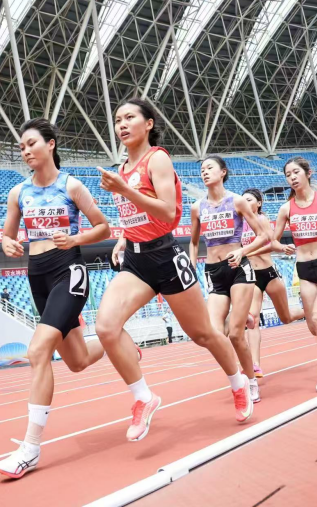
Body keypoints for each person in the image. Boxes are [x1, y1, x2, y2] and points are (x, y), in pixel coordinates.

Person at [94, 98, 255, 443]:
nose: (122, 124)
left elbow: (168, 213)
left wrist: (124, 190)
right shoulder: (122, 168)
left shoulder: (158, 159)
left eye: (130, 117)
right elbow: (136, 214)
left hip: (165, 257)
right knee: (106, 327)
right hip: (136, 261)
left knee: (204, 334)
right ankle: (143, 398)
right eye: (118, 119)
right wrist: (122, 237)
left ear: (149, 123)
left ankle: (239, 383)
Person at [0, 118, 112, 479]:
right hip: (37, 276)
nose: (26, 151)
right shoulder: (18, 193)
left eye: (31, 143)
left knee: (38, 351)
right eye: (21, 147)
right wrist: (8, 244)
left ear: (51, 144)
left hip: (68, 271)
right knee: (77, 360)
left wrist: (75, 239)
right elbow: (7, 236)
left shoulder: (71, 186)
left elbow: (103, 227)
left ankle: (30, 449)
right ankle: (115, 341)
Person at [249, 157, 317, 392]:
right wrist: (281, 247)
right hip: (304, 269)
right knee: (313, 326)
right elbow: (273, 240)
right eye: (288, 175)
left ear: (308, 173)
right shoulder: (286, 208)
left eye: (296, 172)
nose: (292, 177)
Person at [190, 157, 275, 406]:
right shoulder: (197, 207)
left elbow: (263, 235)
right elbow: (194, 243)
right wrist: (191, 265)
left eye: (210, 168)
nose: (205, 172)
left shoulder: (237, 201)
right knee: (214, 334)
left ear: (223, 172)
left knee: (236, 335)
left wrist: (242, 251)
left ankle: (251, 382)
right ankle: (239, 317)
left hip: (238, 269)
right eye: (202, 169)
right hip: (213, 271)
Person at [238, 188, 304, 379]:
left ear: (258, 204)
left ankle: (311, 310)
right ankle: (255, 365)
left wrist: (282, 247)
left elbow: (271, 243)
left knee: (286, 317)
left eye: (249, 200)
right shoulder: (239, 223)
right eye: (242, 200)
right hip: (251, 276)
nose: (244, 202)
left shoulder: (261, 219)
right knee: (252, 320)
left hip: (269, 273)